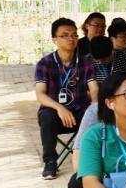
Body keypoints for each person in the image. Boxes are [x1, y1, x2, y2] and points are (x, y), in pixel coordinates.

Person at [35, 17, 98, 179]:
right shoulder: (45, 63)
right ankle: (50, 162)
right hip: (55, 113)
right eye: (65, 35)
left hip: (80, 110)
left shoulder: (85, 62)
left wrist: (95, 106)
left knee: (93, 114)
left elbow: (94, 88)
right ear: (54, 40)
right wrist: (60, 108)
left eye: (74, 35)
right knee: (47, 116)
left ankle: (88, 160)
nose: (71, 38)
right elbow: (40, 94)